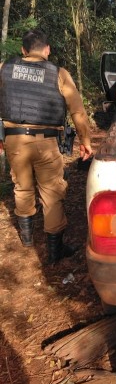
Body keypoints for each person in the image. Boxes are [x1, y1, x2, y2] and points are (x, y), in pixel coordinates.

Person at [0, 28, 93, 264]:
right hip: (46, 142)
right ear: (47, 50)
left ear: (23, 50)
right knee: (52, 193)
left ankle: (28, 240)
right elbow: (78, 112)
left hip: (14, 140)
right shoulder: (58, 74)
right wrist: (86, 142)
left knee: (22, 187)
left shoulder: (5, 68)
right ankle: (54, 251)